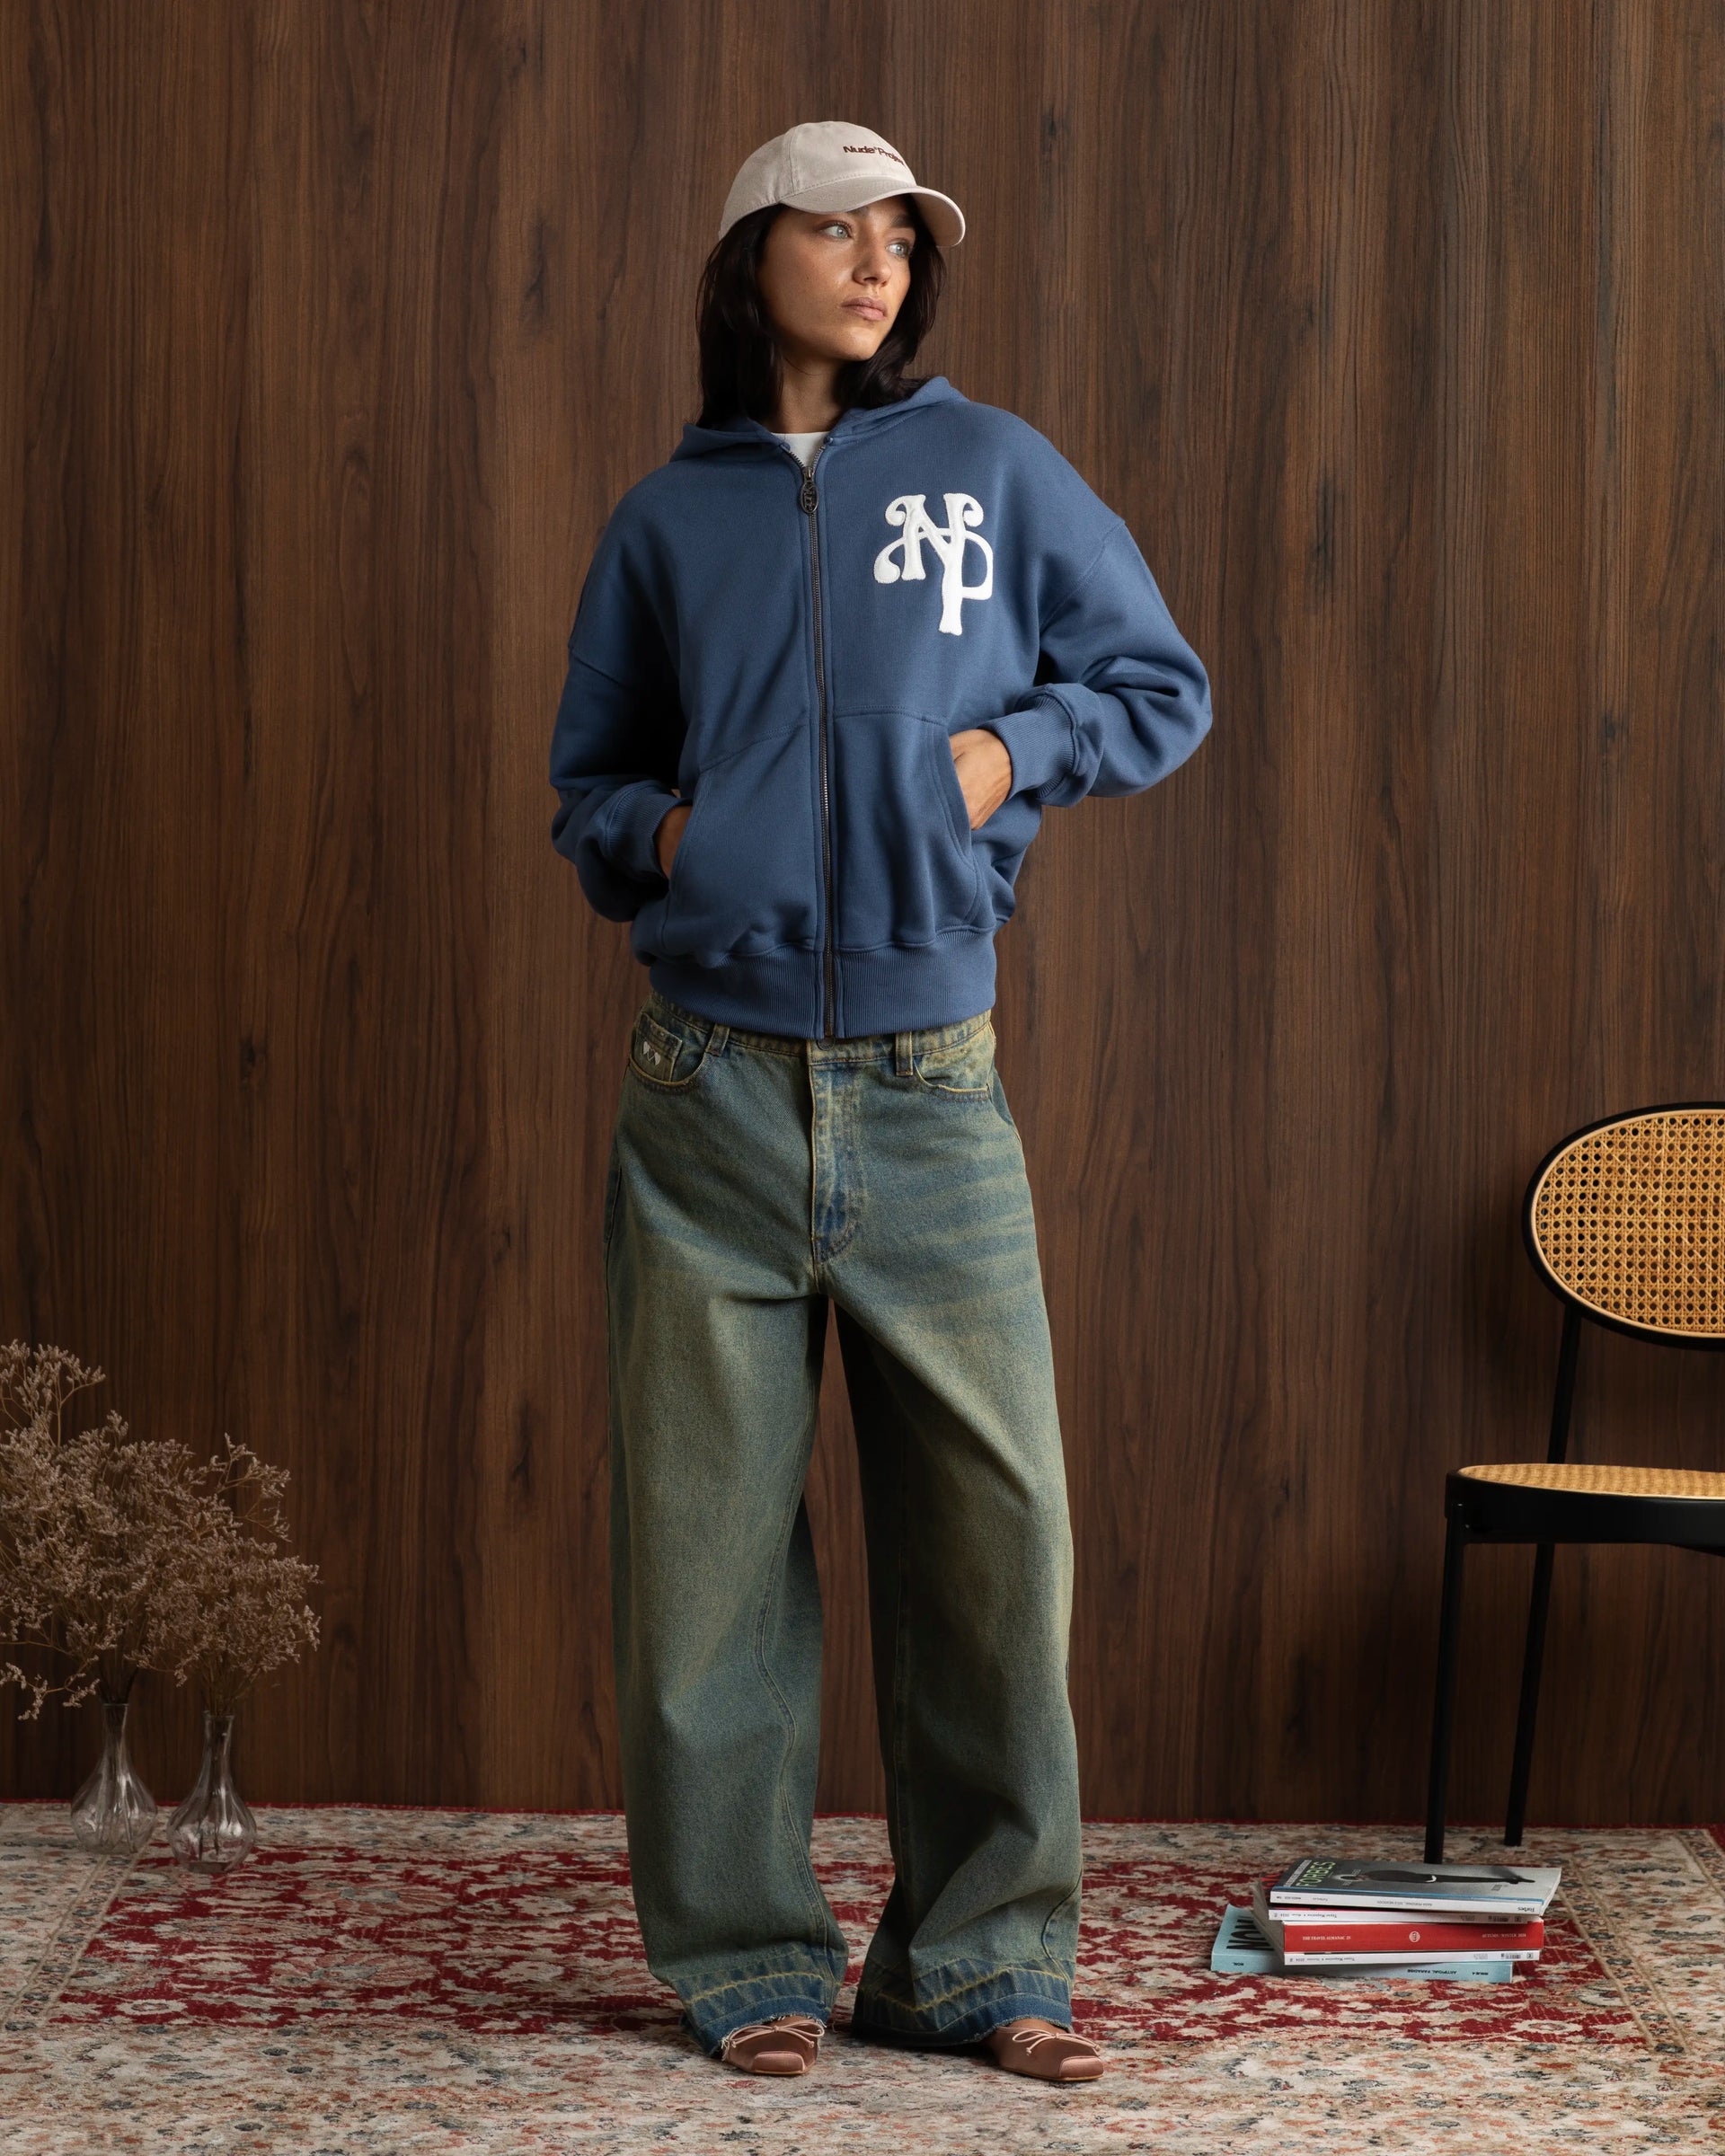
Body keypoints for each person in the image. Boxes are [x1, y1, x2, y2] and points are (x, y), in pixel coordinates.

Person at [550, 119, 1212, 2085]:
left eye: (901, 240)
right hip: (709, 1093)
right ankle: (748, 1958)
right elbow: (589, 787)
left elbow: (1156, 684)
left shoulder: (994, 468)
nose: (875, 264)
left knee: (995, 1545)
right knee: (706, 1558)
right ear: (747, 256)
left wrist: (1002, 760)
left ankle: (979, 1966)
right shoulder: (668, 519)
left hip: (931, 1087)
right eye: (836, 231)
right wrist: (673, 839)